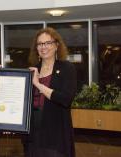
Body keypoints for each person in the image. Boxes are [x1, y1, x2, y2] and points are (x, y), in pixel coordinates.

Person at [23, 27, 77, 157]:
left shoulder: (66, 68)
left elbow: (65, 99)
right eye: (40, 44)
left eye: (48, 43)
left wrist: (38, 84)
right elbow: (22, 101)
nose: (43, 47)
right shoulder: (32, 70)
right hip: (32, 133)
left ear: (57, 45)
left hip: (55, 133)